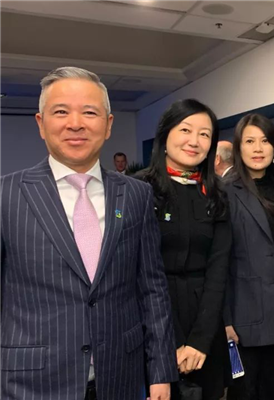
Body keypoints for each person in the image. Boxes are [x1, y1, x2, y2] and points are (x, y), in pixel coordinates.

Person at [0, 67, 177, 400]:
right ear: (40, 123)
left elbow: (152, 290)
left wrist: (161, 372)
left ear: (108, 125)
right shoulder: (6, 194)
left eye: (90, 112)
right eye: (61, 112)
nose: (76, 123)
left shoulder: (136, 194)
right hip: (30, 384)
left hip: (120, 377)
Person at [137, 99, 232, 400]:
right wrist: (173, 342)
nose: (194, 141)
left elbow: (219, 270)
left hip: (205, 322)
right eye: (186, 130)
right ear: (165, 135)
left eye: (204, 134)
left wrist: (199, 342)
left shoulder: (217, 194)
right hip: (153, 322)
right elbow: (139, 271)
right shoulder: (138, 190)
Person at [223, 113, 274, 400]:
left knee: (272, 389)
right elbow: (219, 262)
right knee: (244, 392)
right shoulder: (226, 192)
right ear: (239, 148)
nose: (258, 148)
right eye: (250, 141)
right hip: (243, 316)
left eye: (265, 141)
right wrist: (225, 320)